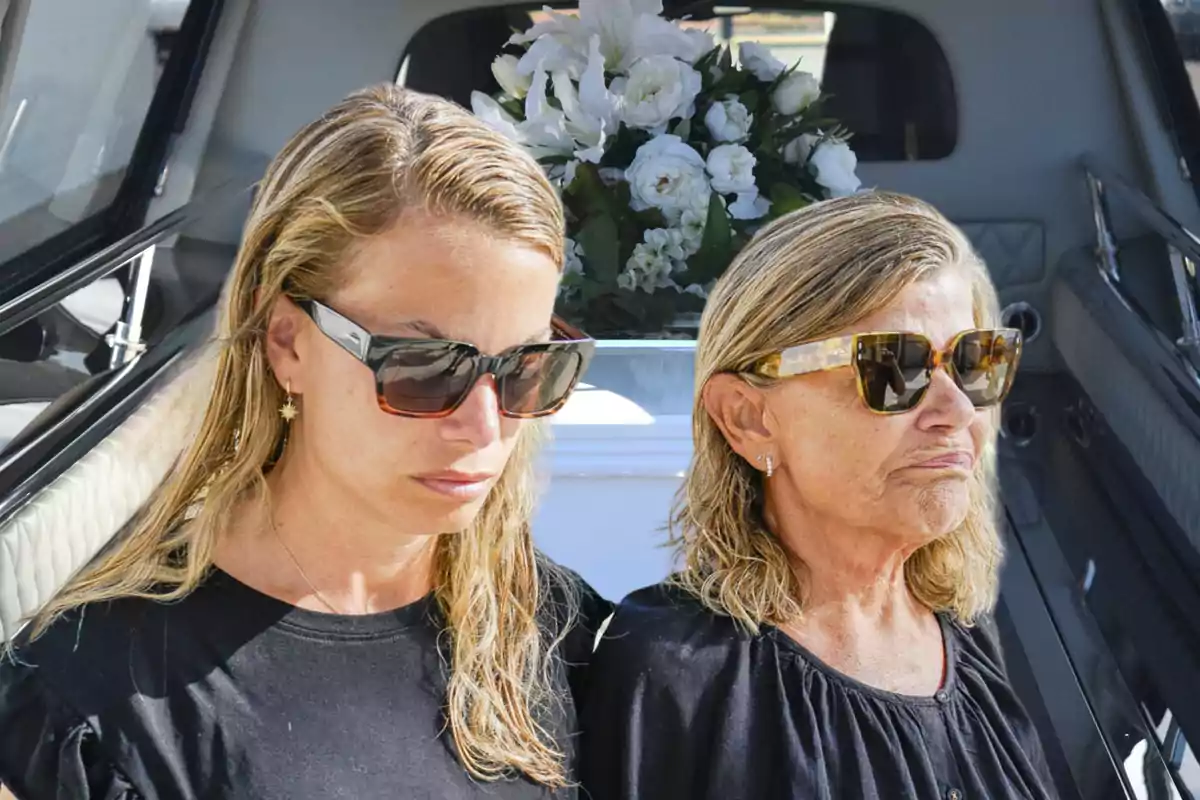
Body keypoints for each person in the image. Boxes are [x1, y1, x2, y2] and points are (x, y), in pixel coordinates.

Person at [0, 84, 609, 799]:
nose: (483, 426)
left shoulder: (567, 641)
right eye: (423, 366)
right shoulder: (94, 701)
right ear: (287, 342)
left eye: (527, 368)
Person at [579, 192, 1057, 799]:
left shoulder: (965, 635)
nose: (959, 409)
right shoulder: (674, 676)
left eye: (974, 361)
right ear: (748, 418)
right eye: (894, 368)